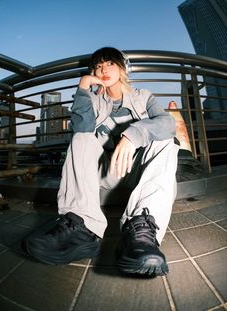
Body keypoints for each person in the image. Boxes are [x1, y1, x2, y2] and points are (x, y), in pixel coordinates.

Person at [24, 47, 179, 277]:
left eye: (109, 64)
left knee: (167, 141)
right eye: (97, 66)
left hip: (140, 175)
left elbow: (167, 123)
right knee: (81, 137)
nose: (103, 69)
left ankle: (141, 233)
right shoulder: (96, 101)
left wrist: (133, 135)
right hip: (108, 176)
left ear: (122, 67)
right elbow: (81, 127)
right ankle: (82, 227)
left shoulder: (143, 96)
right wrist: (83, 86)